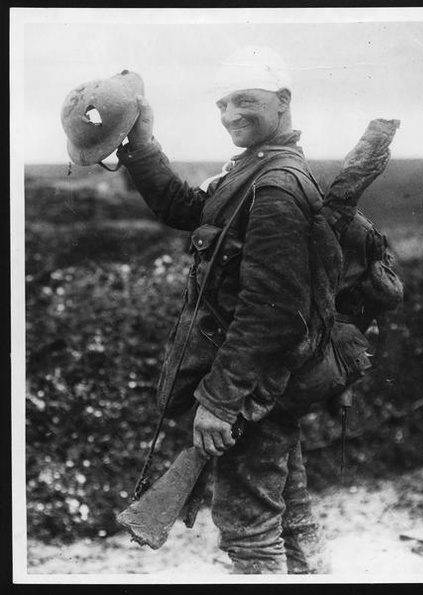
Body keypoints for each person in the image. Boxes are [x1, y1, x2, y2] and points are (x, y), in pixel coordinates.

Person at [117, 46, 344, 574]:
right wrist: (140, 142)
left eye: (245, 101)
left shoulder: (275, 187)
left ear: (283, 100)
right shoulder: (252, 173)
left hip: (249, 386)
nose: (228, 116)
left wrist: (220, 403)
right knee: (290, 517)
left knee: (250, 532)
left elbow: (274, 312)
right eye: (222, 104)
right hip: (266, 383)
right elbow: (185, 208)